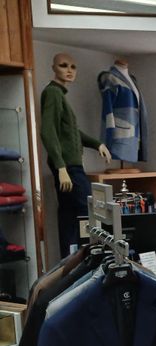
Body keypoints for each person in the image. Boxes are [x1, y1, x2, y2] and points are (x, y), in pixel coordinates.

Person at [40, 53, 112, 259]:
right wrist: (61, 167)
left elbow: (71, 132)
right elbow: (48, 131)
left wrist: (97, 144)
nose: (69, 70)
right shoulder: (53, 93)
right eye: (64, 65)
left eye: (73, 66)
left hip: (69, 166)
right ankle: (85, 259)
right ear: (54, 68)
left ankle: (70, 262)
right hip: (69, 167)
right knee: (86, 211)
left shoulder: (59, 95)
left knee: (70, 216)